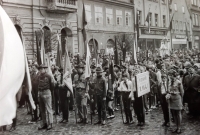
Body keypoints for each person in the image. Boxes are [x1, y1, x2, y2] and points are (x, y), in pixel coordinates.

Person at [166, 69, 184, 134]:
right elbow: (168, 91)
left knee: (178, 113)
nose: (170, 77)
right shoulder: (169, 82)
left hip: (177, 99)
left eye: (171, 75)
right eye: (169, 75)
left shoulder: (178, 82)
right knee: (174, 114)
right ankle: (176, 127)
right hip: (171, 99)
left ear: (174, 75)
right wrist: (168, 95)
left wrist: (181, 101)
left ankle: (179, 127)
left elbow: (182, 92)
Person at [38, 64, 54, 130]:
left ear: (45, 69)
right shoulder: (38, 76)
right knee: (42, 110)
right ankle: (44, 123)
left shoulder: (49, 76)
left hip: (47, 92)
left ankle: (50, 123)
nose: (41, 70)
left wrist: (50, 91)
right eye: (40, 69)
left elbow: (52, 85)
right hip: (40, 92)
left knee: (48, 109)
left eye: (42, 68)